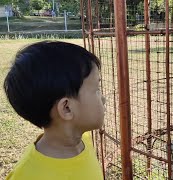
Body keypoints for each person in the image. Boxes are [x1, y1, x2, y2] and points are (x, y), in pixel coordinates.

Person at [4, 41, 105, 180]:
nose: (103, 99)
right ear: (67, 108)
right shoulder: (26, 176)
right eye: (96, 90)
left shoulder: (83, 141)